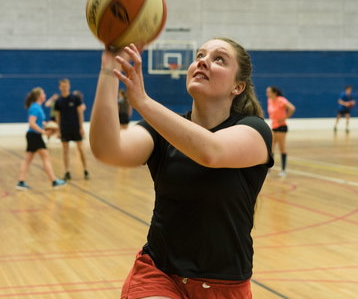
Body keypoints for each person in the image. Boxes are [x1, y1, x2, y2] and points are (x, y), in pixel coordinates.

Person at [90, 39, 273, 299]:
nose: (203, 61)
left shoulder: (255, 130)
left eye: (219, 58)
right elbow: (107, 150)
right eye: (200, 55)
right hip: (159, 274)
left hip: (226, 283)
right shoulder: (160, 131)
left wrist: (142, 101)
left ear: (238, 86)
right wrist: (109, 68)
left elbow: (211, 152)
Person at [16, 87, 66, 190]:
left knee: (27, 160)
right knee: (45, 157)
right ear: (39, 96)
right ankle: (54, 181)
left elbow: (38, 122)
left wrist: (46, 125)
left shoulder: (37, 107)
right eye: (43, 93)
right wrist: (43, 132)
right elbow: (32, 123)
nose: (45, 95)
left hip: (33, 135)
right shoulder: (35, 107)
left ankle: (21, 182)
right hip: (34, 136)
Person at [54, 79, 89, 180]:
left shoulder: (75, 98)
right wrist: (59, 130)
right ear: (60, 87)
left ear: (69, 86)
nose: (64, 87)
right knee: (65, 150)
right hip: (65, 128)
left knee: (80, 149)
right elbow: (57, 116)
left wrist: (81, 127)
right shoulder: (58, 101)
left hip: (75, 127)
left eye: (66, 85)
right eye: (62, 86)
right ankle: (67, 171)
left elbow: (80, 113)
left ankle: (85, 170)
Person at [266, 86, 295, 177]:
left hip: (282, 127)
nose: (267, 94)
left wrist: (285, 118)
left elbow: (292, 108)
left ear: (274, 93)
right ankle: (268, 171)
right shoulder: (270, 100)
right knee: (271, 149)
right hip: (274, 126)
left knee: (282, 148)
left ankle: (283, 170)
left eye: (269, 92)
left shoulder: (280, 100)